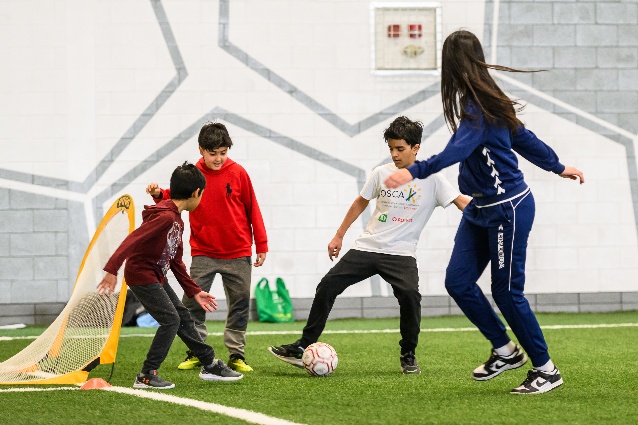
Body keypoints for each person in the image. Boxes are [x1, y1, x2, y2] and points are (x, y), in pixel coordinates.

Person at [384, 30, 585, 394]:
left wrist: (413, 170)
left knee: (507, 293)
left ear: (453, 65)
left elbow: (460, 151)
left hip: (508, 208)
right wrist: (557, 166)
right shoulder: (480, 101)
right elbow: (522, 137)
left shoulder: (479, 109)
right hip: (480, 208)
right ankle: (506, 351)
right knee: (458, 282)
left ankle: (546, 370)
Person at [268, 116, 469, 374]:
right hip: (367, 247)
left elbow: (460, 202)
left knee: (410, 296)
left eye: (400, 149)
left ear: (416, 148)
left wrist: (488, 217)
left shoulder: (433, 179)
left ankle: (408, 353)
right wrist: (339, 235)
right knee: (327, 285)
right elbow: (360, 202)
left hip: (401, 253)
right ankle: (303, 346)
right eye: (391, 149)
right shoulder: (381, 173)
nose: (394, 154)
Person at [97, 162, 243, 389]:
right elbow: (133, 239)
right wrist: (111, 269)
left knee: (182, 316)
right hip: (141, 275)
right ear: (196, 193)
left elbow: (175, 261)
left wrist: (194, 291)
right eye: (202, 195)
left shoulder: (176, 219)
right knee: (171, 320)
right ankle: (146, 375)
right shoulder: (165, 217)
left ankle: (209, 364)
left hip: (155, 275)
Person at [146, 122, 267, 374]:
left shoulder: (239, 173)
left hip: (239, 251)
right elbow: (176, 194)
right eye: (213, 153)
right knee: (192, 302)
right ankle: (197, 350)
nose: (219, 158)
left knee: (240, 303)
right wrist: (159, 194)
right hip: (203, 252)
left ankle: (236, 354)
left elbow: (252, 208)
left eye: (223, 152)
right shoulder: (194, 174)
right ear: (201, 150)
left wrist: (261, 244)